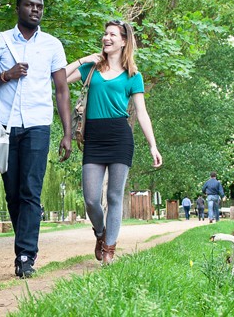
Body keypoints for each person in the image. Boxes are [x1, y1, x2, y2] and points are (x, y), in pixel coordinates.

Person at [0, 0, 72, 278]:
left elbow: (62, 89)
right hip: (4, 128)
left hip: (38, 125)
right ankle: (24, 248)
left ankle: (26, 254)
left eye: (40, 6)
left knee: (31, 191)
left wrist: (67, 133)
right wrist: (6, 75)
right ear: (18, 8)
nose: (35, 10)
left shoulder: (53, 45)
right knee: (13, 193)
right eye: (29, 5)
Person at [65, 20, 163, 265]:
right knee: (90, 198)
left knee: (115, 196)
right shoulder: (93, 69)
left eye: (112, 35)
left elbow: (142, 112)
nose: (106, 38)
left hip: (120, 137)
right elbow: (59, 78)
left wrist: (153, 145)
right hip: (94, 138)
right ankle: (100, 234)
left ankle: (110, 248)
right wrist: (84, 59)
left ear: (123, 41)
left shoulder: (133, 75)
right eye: (105, 34)